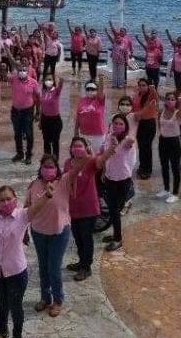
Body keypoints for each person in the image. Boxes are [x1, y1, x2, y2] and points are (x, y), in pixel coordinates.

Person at [0, 183, 66, 338]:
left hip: (16, 272)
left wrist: (47, 195)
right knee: (1, 303)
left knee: (15, 306)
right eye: (1, 200)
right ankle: (2, 332)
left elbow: (36, 207)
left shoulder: (22, 215)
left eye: (8, 199)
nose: (5, 202)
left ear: (15, 199)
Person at [26, 155, 75, 317]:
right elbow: (26, 210)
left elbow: (79, 168)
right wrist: (24, 231)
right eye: (45, 166)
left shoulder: (64, 182)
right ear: (40, 168)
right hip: (38, 232)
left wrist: (85, 154)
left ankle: (58, 300)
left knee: (54, 268)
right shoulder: (33, 185)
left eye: (51, 166)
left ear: (57, 168)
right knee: (43, 267)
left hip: (59, 232)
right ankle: (45, 297)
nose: (48, 169)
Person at [64, 137, 102, 280]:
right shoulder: (68, 163)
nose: (77, 148)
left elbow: (100, 162)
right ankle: (81, 261)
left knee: (86, 237)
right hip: (74, 207)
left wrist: (106, 150)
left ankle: (87, 267)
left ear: (86, 148)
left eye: (80, 146)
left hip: (88, 207)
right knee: (77, 236)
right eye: (74, 146)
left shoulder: (91, 162)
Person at [98, 114, 137, 252]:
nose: (118, 126)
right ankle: (116, 233)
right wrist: (103, 171)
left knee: (115, 210)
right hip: (109, 177)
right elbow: (105, 156)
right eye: (116, 123)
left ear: (125, 126)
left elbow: (131, 140)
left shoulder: (126, 140)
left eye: (121, 124)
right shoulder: (108, 137)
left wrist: (128, 132)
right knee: (114, 209)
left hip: (122, 179)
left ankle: (117, 240)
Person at [8, 59, 40, 165]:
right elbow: (4, 76)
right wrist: (4, 68)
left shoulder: (33, 82)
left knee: (29, 134)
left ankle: (29, 154)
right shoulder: (14, 79)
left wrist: (38, 112)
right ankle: (19, 153)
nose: (22, 71)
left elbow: (38, 97)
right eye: (20, 70)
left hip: (28, 112)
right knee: (17, 134)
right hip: (15, 111)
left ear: (27, 71)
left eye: (24, 70)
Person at [156, 93, 181, 203]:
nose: (170, 101)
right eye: (168, 99)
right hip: (163, 140)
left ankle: (175, 193)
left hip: (174, 142)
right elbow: (159, 125)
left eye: (173, 99)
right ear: (165, 100)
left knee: (175, 168)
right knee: (164, 165)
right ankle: (166, 188)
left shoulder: (177, 113)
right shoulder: (161, 112)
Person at [131, 79, 158, 179]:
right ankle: (142, 166)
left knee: (146, 146)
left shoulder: (150, 95)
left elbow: (156, 98)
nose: (142, 87)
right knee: (141, 146)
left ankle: (147, 169)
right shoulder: (137, 95)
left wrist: (153, 90)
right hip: (139, 123)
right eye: (140, 85)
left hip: (149, 123)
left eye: (144, 85)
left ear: (147, 86)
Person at [74, 77, 107, 152]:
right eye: (88, 89)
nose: (90, 91)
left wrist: (101, 80)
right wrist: (76, 132)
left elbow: (101, 91)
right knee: (85, 158)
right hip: (84, 134)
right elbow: (78, 117)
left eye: (93, 89)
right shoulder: (82, 100)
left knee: (98, 157)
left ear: (97, 90)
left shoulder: (100, 100)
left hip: (98, 136)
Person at [39, 74, 64, 157]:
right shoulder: (44, 91)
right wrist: (40, 120)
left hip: (55, 120)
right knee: (46, 141)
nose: (48, 81)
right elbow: (42, 107)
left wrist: (61, 80)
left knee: (55, 142)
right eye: (46, 80)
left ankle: (55, 161)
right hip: (45, 120)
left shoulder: (56, 91)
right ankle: (47, 160)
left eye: (50, 79)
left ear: (53, 81)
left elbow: (60, 85)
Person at [136, 24, 163, 88]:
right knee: (149, 80)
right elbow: (143, 44)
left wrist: (159, 63)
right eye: (152, 33)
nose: (152, 44)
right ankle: (150, 91)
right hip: (148, 66)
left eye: (155, 33)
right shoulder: (148, 46)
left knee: (156, 80)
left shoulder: (159, 44)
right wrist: (142, 30)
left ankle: (155, 90)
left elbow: (161, 55)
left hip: (155, 66)